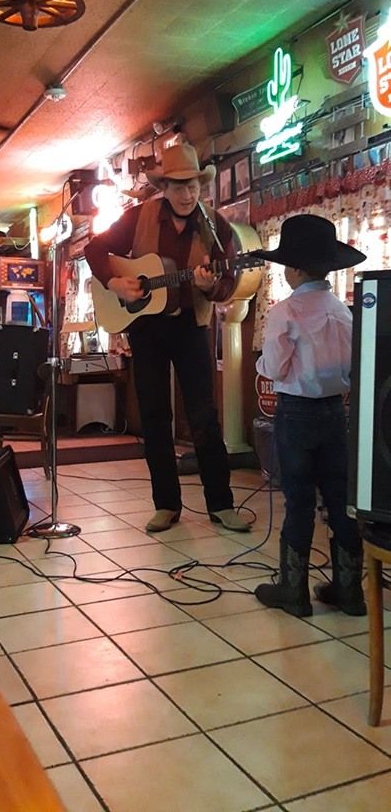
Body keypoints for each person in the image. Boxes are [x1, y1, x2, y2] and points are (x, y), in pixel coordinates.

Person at [85, 142, 252, 534]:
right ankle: (166, 504)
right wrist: (115, 282)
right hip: (146, 328)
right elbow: (95, 249)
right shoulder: (138, 217)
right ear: (164, 187)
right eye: (179, 186)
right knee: (155, 416)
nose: (187, 194)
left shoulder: (215, 226)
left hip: (191, 326)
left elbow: (228, 284)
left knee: (204, 415)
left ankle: (221, 505)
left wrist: (210, 286)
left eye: (193, 186)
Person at [253, 213, 367, 618]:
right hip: (336, 414)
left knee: (299, 500)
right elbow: (352, 367)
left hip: (297, 415)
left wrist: (262, 366)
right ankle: (350, 591)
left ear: (296, 269)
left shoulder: (285, 312)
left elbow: (275, 367)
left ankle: (294, 590)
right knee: (340, 499)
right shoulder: (343, 311)